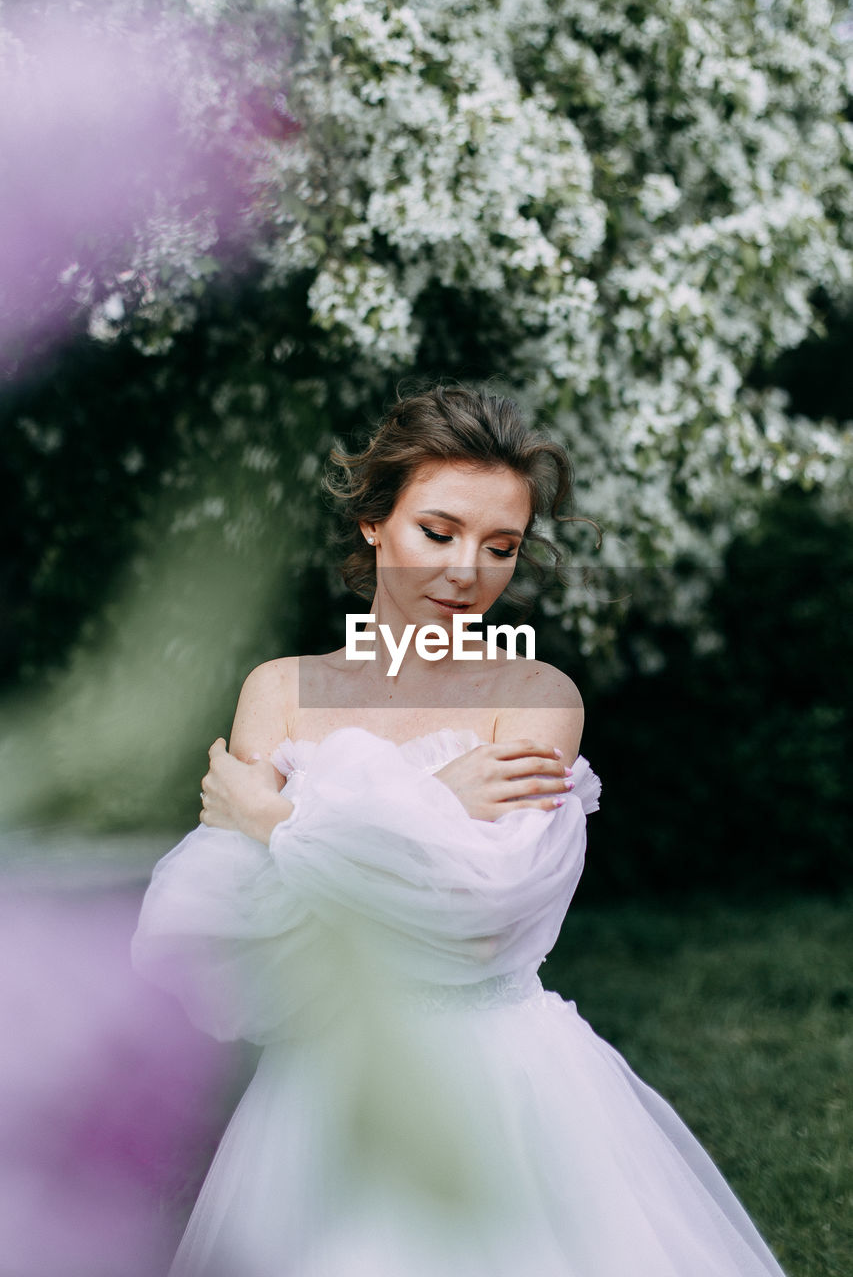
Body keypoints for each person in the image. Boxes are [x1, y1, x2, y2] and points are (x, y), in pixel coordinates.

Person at [132, 386, 788, 1276]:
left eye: (500, 546)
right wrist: (433, 804)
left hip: (507, 1084)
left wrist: (276, 820)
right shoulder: (280, 690)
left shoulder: (537, 699)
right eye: (436, 533)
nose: (466, 571)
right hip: (333, 1082)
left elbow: (476, 919)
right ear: (373, 524)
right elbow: (227, 926)